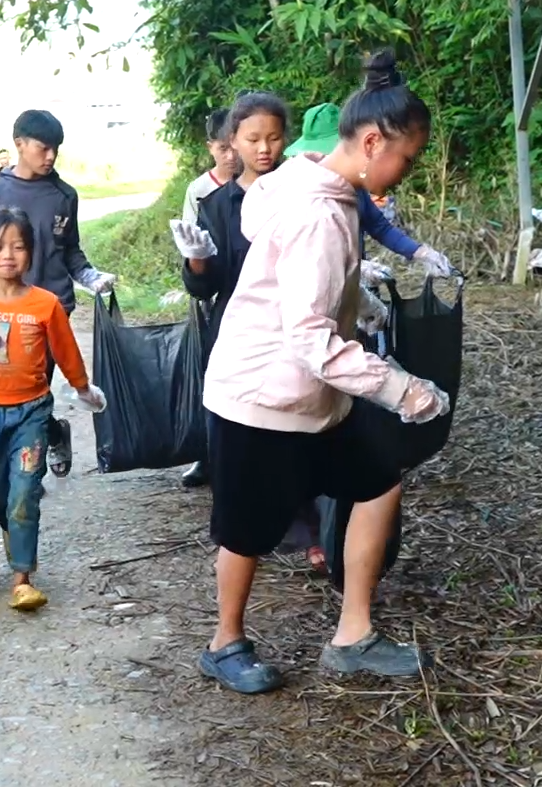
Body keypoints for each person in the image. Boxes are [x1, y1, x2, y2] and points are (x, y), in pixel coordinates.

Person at [197, 53, 450, 695]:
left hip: (317, 398)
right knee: (246, 530)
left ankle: (352, 635)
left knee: (377, 481)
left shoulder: (301, 179)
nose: (406, 172)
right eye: (406, 158)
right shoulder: (322, 214)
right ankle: (225, 642)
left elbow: (285, 260)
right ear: (371, 143)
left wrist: (354, 299)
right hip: (262, 396)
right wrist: (405, 391)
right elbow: (311, 340)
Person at [0, 110, 116, 478]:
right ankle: (38, 446)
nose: (50, 157)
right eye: (43, 148)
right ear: (20, 145)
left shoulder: (64, 196)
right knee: (3, 391)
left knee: (34, 393)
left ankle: (27, 471)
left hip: (48, 310)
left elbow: (70, 251)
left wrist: (90, 276)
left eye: (56, 149)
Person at [0, 209, 105, 611]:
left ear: (32, 253)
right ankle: (13, 533)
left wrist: (83, 388)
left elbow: (65, 350)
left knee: (24, 492)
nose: (8, 255)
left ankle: (22, 577)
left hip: (31, 413)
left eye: (19, 246)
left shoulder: (46, 304)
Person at [170, 94, 289, 489]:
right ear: (233, 141)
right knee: (242, 423)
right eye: (253, 139)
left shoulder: (301, 193)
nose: (264, 149)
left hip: (296, 323)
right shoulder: (218, 206)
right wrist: (198, 259)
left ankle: (302, 511)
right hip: (238, 331)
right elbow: (204, 287)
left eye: (273, 138)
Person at [287, 101, 455, 281]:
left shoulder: (354, 189)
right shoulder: (305, 197)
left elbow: (379, 226)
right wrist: (353, 266)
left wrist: (420, 252)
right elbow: (301, 260)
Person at [180, 109, 240, 225]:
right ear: (210, 148)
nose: (231, 156)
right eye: (223, 148)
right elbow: (191, 234)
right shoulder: (197, 190)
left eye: (235, 147)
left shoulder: (256, 182)